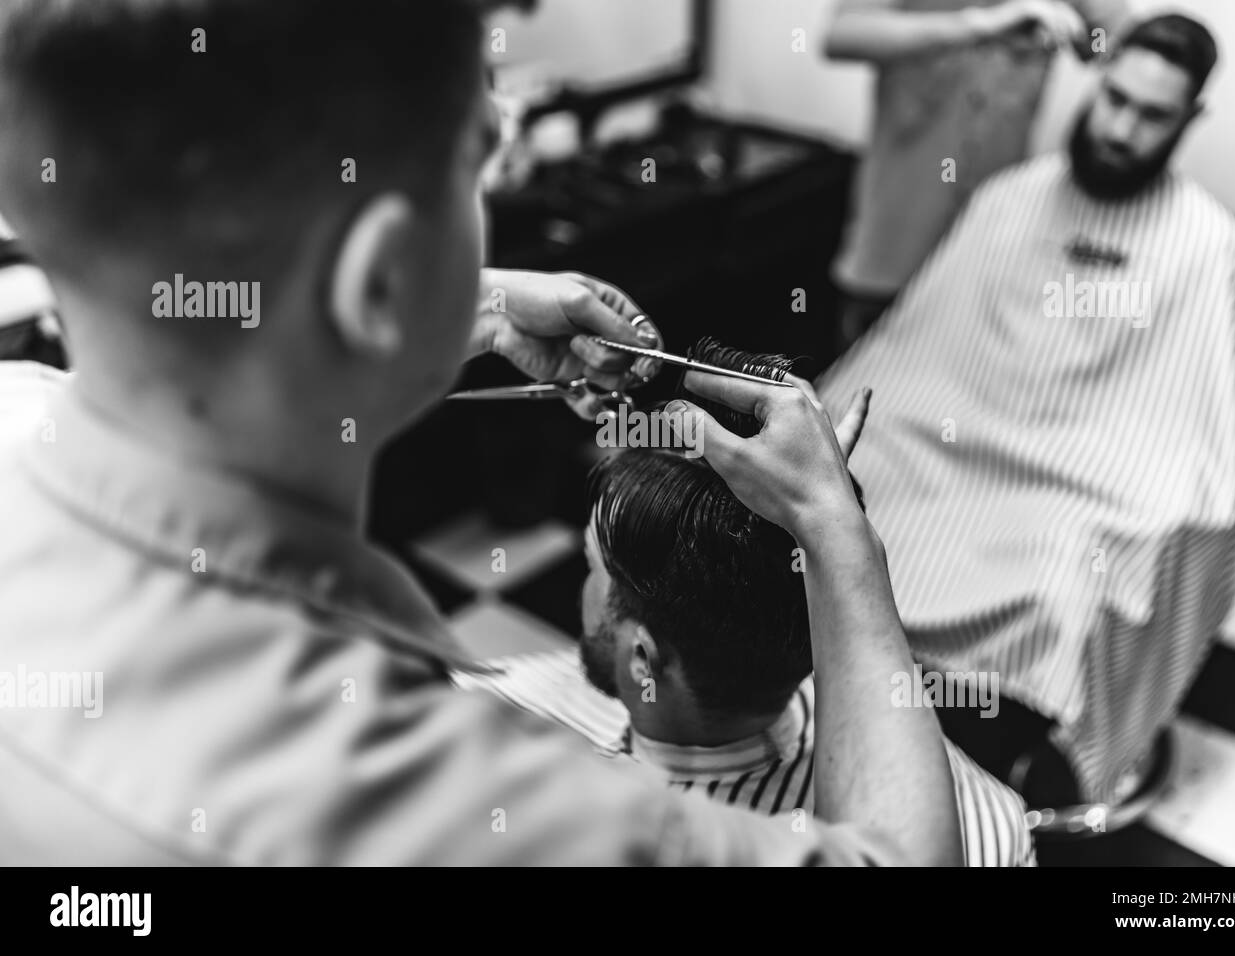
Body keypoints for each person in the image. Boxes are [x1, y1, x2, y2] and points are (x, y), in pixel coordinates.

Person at [0, 0, 960, 865]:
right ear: (378, 277)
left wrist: (471, 308)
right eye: (478, 168)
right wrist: (834, 530)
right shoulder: (434, 802)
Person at [818, 14, 1235, 807]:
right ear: (1095, 81)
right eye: (1115, 100)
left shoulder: (1207, 247)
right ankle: (871, 732)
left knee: (1073, 576)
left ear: (1190, 120)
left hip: (1101, 493)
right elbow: (913, 354)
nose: (1119, 130)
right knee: (851, 490)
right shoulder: (1012, 200)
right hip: (953, 448)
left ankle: (1011, 769)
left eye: (1152, 115)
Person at [455, 439, 1037, 866]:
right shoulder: (987, 825)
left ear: (643, 662)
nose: (579, 589)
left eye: (591, 568)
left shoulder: (482, 746)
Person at [823, 0, 1130, 345]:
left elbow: (1119, 47)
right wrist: (980, 24)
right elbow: (842, 35)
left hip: (992, 257)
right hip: (894, 250)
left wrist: (1087, 37)